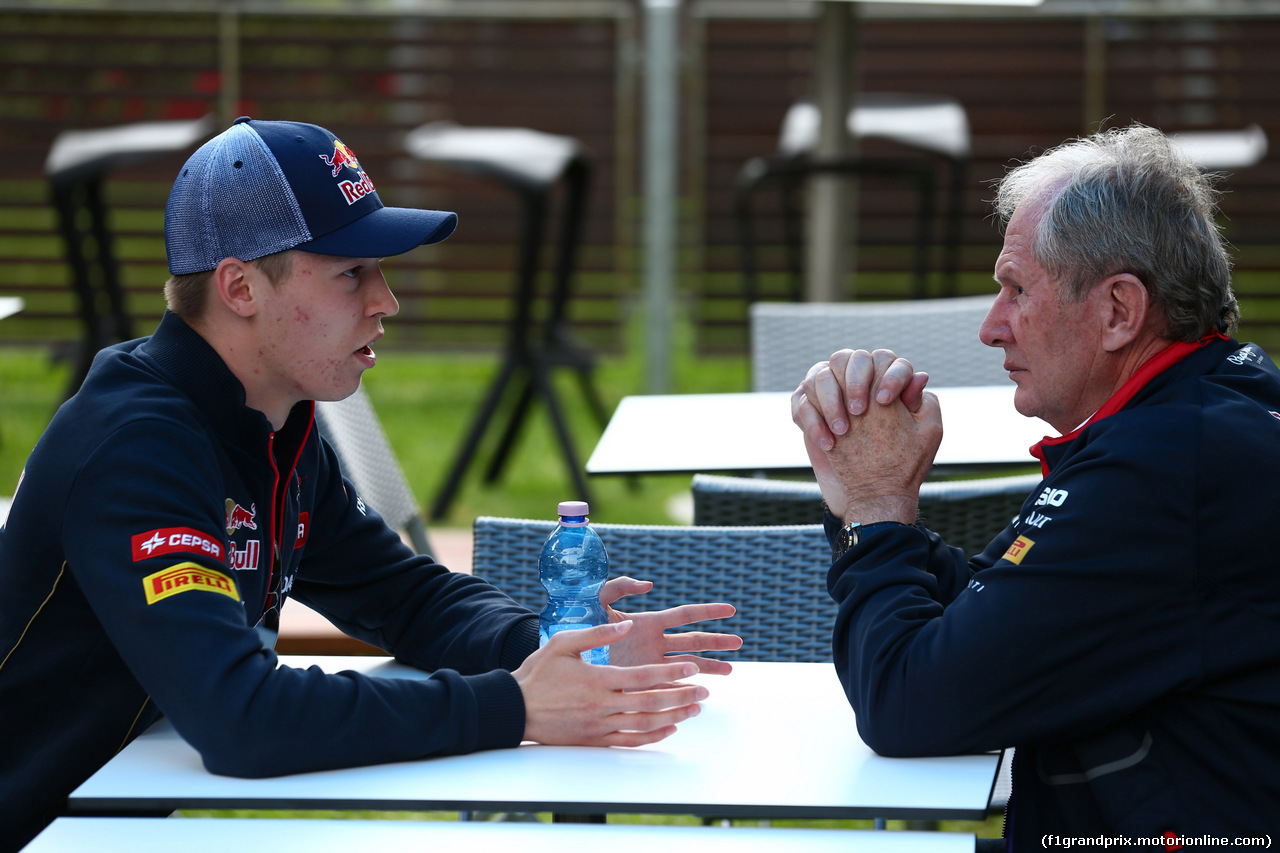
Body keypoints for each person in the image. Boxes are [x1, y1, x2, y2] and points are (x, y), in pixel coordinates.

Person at [0, 117, 740, 851]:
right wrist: (515, 706)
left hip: (108, 823)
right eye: (352, 271)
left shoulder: (272, 419)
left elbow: (406, 596)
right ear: (239, 287)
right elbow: (240, 719)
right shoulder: (139, 446)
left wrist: (565, 647)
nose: (385, 300)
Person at [791, 124, 1280, 844]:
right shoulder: (1201, 414)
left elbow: (906, 704)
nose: (992, 327)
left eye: (1017, 289)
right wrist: (866, 507)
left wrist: (876, 511)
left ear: (1119, 310)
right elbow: (1005, 620)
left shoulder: (1163, 467)